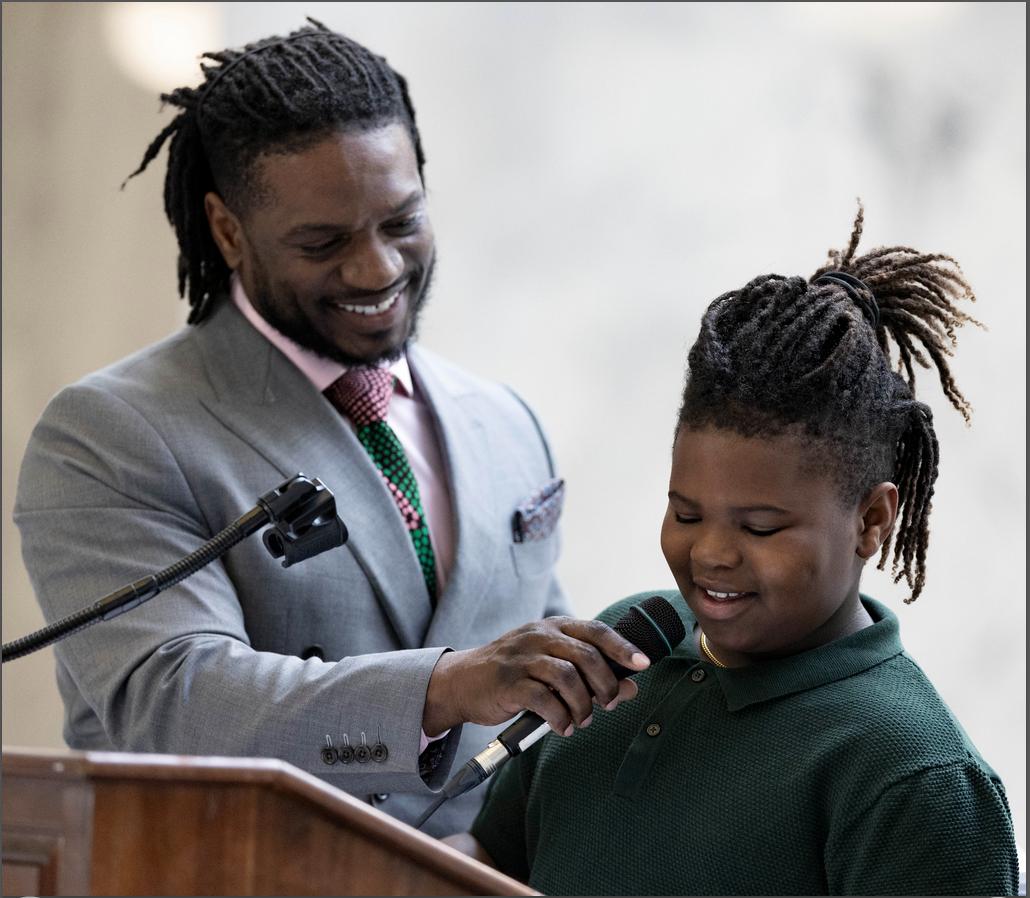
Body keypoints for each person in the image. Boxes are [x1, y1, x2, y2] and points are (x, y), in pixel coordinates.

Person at [12, 19, 649, 837]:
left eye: (402, 222)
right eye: (324, 241)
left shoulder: (504, 423)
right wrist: (446, 685)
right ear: (228, 230)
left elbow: (549, 714)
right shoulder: (111, 433)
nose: (378, 269)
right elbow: (175, 702)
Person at [454, 206, 1020, 894]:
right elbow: (486, 856)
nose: (712, 554)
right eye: (686, 512)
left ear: (871, 521)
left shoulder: (916, 776)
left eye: (760, 528)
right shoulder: (630, 647)